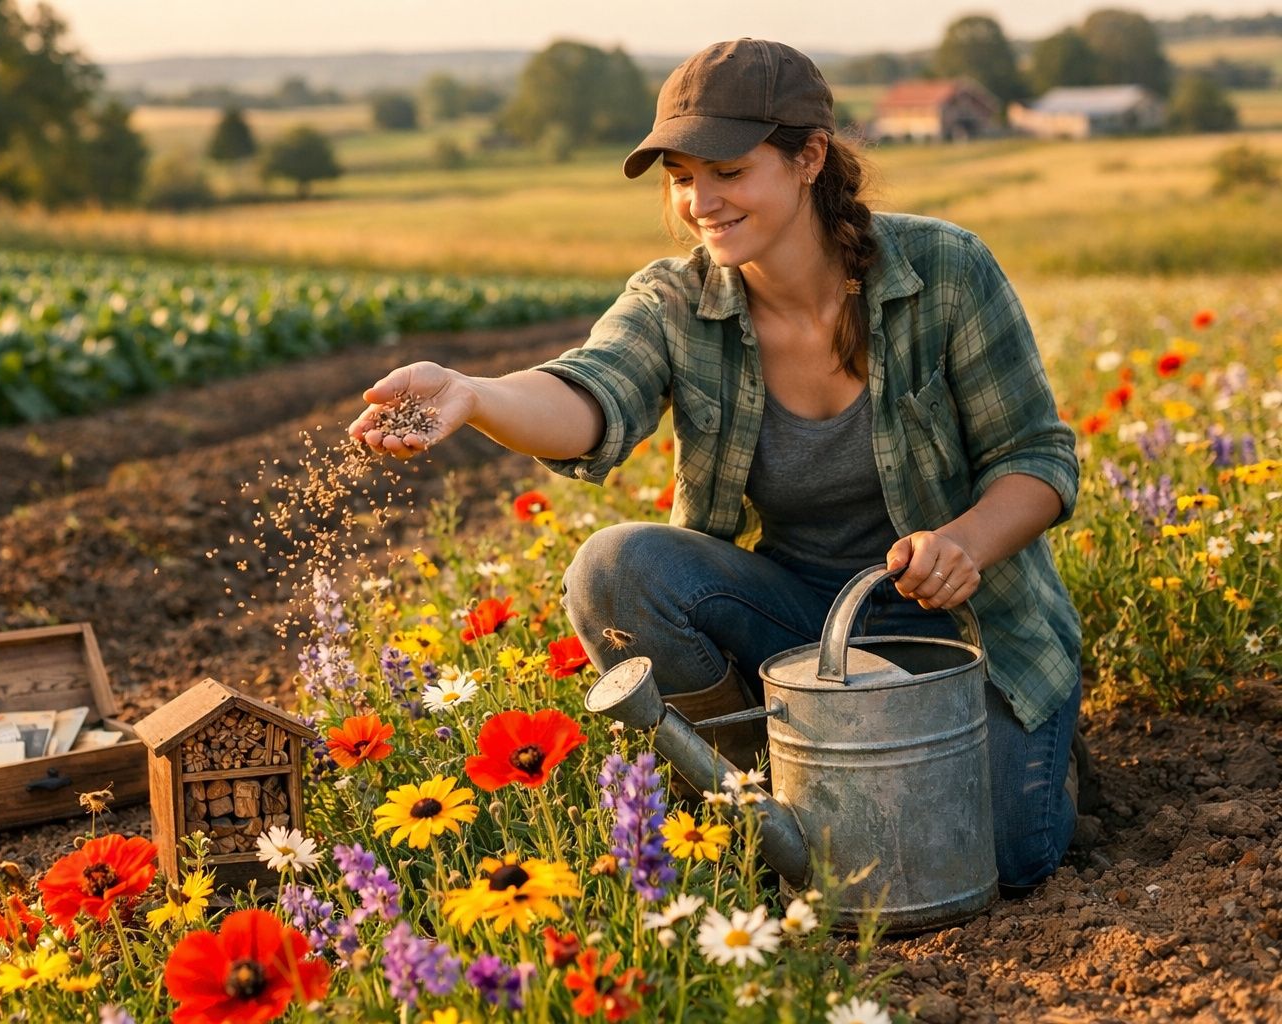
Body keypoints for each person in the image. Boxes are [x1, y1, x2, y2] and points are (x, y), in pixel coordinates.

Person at [349, 38, 1083, 893]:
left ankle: (1035, 745)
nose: (700, 201)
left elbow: (1036, 457)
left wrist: (963, 542)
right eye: (680, 177)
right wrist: (474, 393)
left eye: (728, 171)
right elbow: (588, 396)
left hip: (960, 632)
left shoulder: (945, 271)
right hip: (795, 628)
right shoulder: (673, 299)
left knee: (1005, 861)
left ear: (809, 158)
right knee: (616, 570)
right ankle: (768, 787)